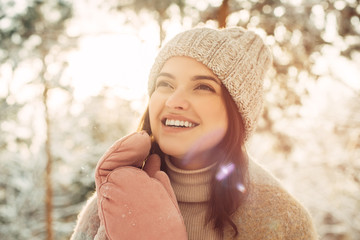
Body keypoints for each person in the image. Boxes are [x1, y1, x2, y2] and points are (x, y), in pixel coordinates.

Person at [71, 27, 318, 240]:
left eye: (202, 87)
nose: (174, 100)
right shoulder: (111, 201)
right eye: (165, 84)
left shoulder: (283, 220)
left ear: (237, 114)